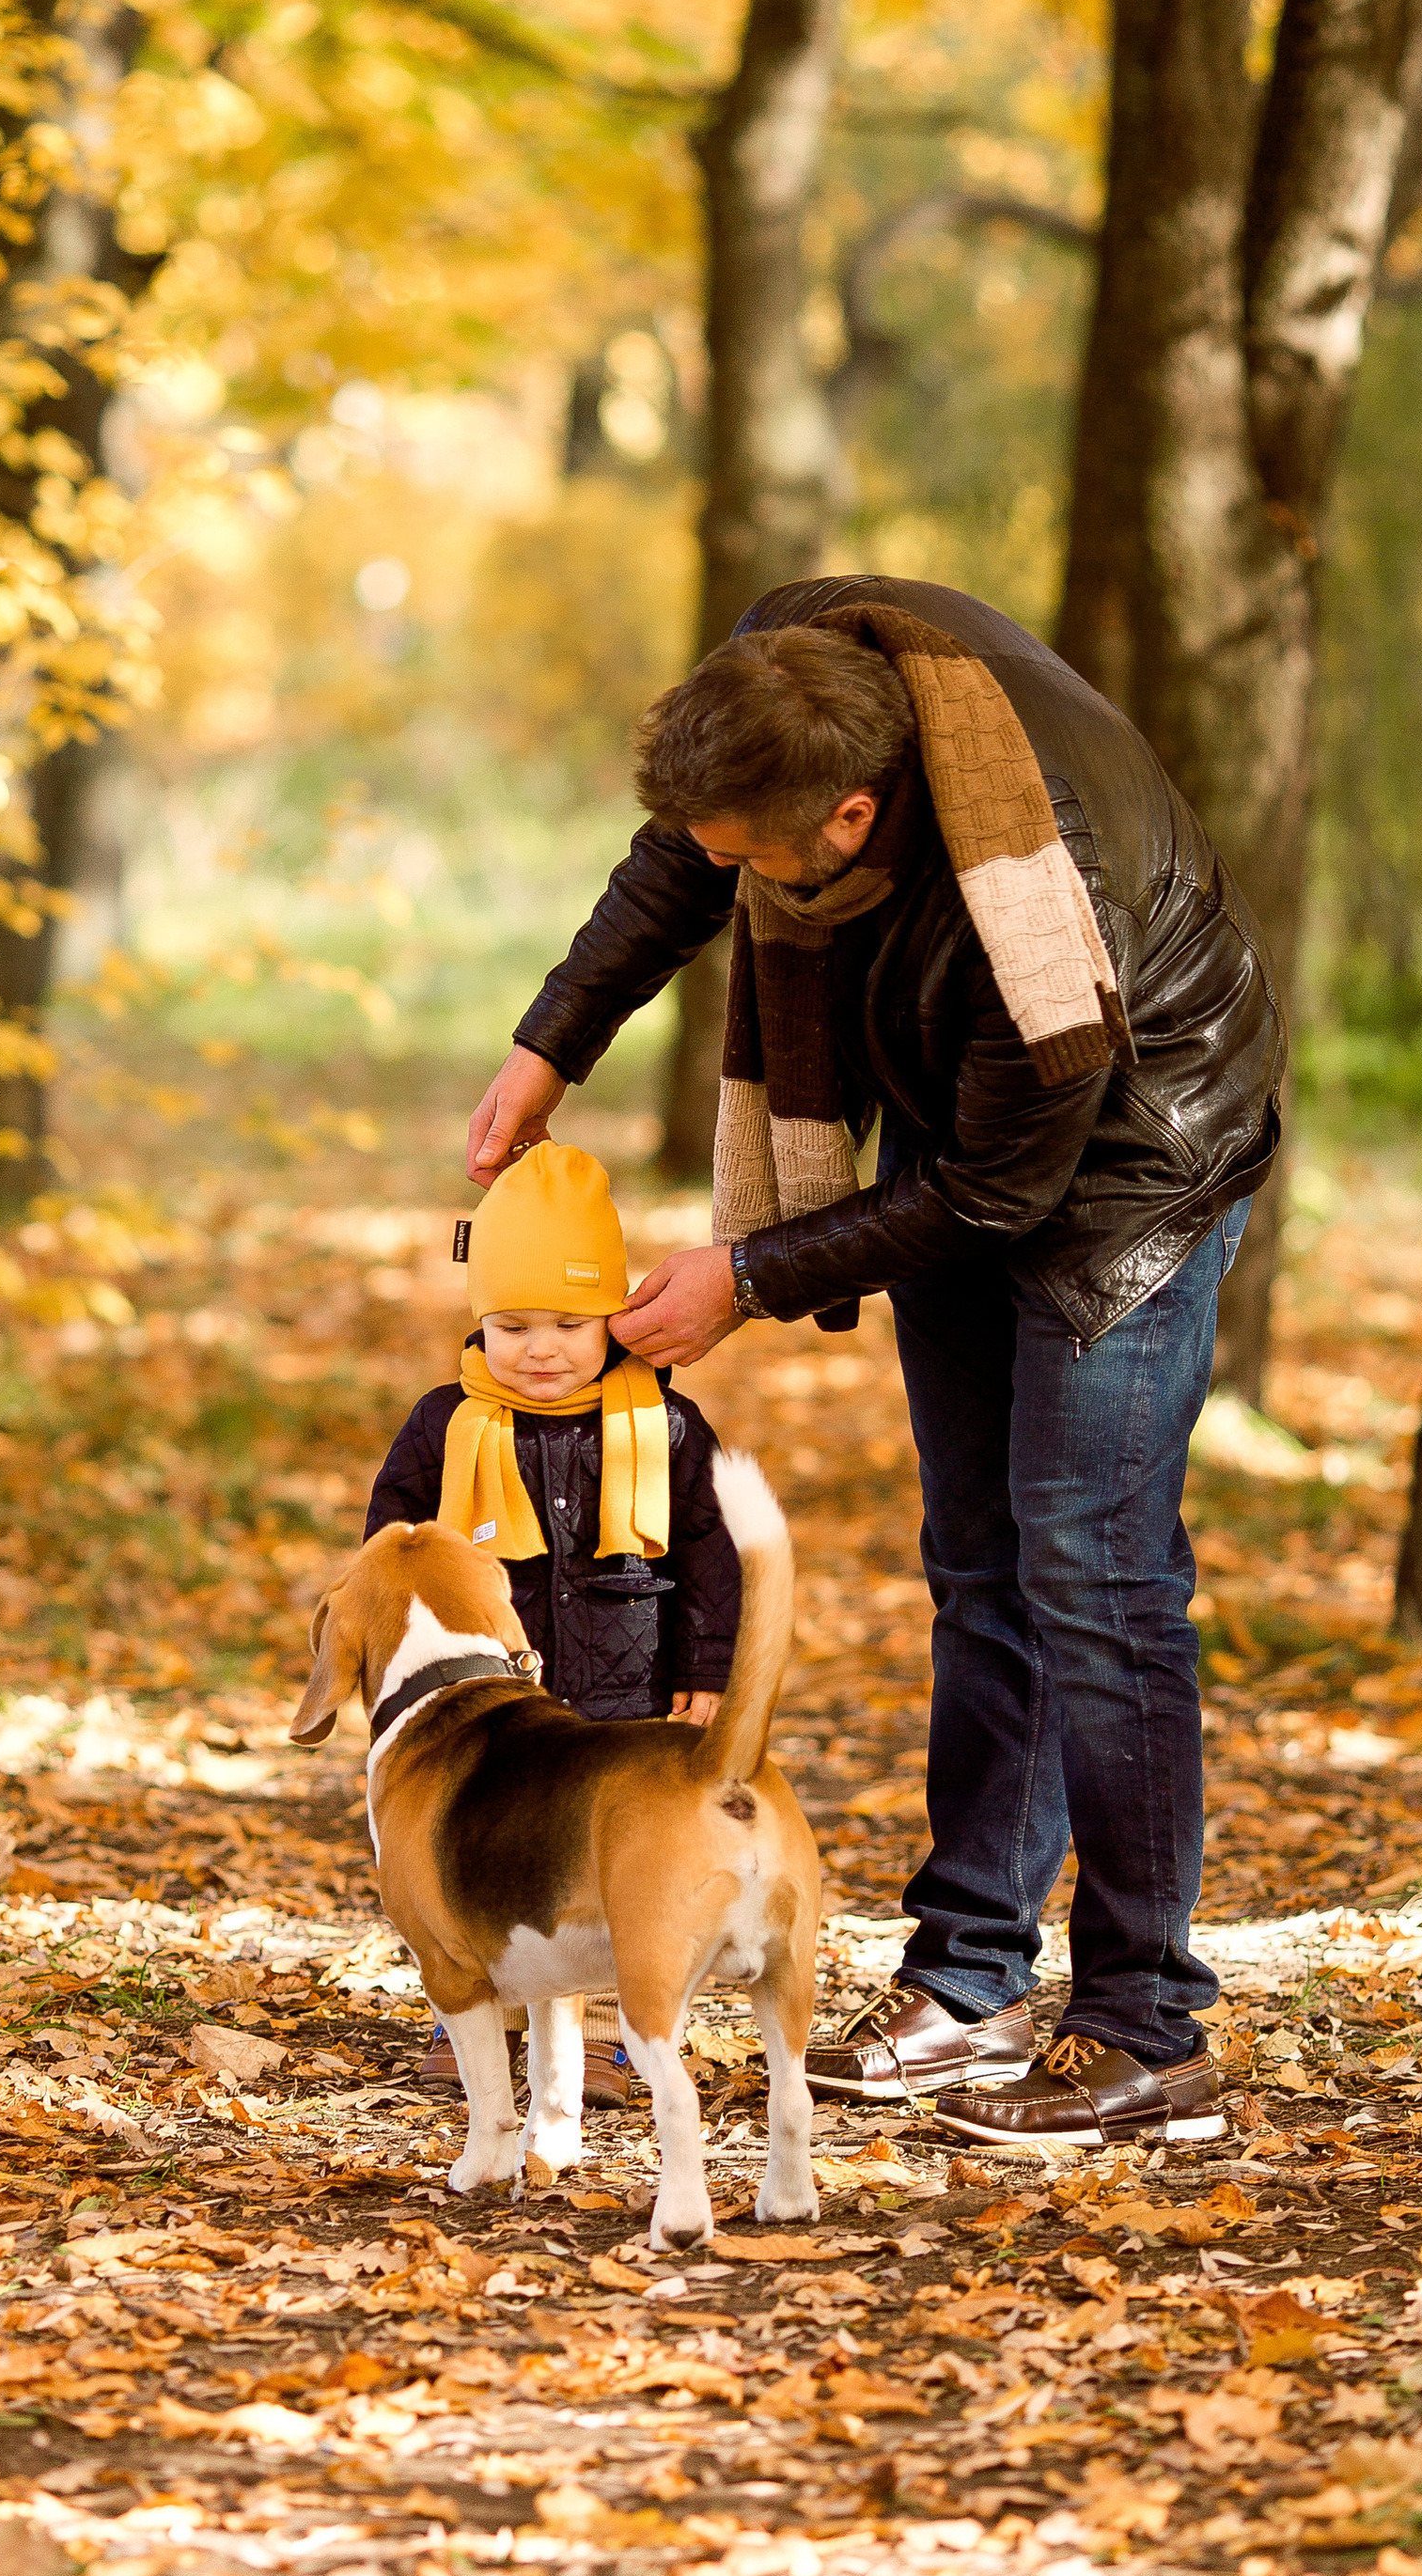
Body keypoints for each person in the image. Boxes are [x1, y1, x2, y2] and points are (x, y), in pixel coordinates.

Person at [463, 582, 1284, 2154]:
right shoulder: (797, 674)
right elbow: (681, 855)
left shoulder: (1043, 904)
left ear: (850, 815)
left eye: (755, 856)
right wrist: (551, 1040)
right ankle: (970, 1984)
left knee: (1093, 1569)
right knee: (982, 1565)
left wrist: (752, 1277)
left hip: (1127, 1157)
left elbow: (1001, 1192)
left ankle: (1147, 2025)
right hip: (968, 1127)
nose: (721, 874)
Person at [365, 1139, 740, 2107]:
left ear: (613, 1316)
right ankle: (476, 2011)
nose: (540, 1347)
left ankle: (620, 2027)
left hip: (628, 1694)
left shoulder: (661, 1423)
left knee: (624, 1871)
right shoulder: (444, 1426)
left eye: (569, 1323)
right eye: (511, 1324)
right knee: (486, 1857)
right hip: (490, 1713)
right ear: (478, 1322)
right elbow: (394, 1554)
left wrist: (709, 1670)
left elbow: (706, 1553)